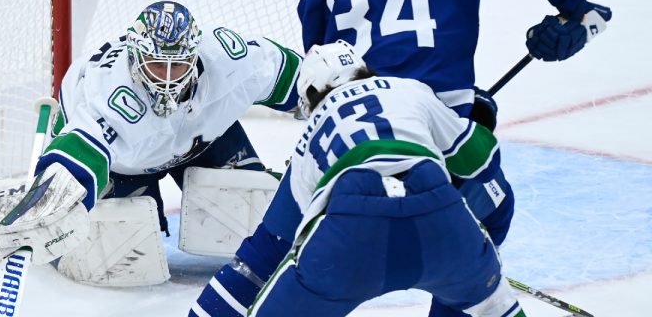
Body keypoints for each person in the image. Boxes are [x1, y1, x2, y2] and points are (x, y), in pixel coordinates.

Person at [191, 0, 611, 317]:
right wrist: (575, 12)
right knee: (493, 211)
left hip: (349, 144)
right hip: (435, 141)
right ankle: (471, 283)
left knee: (266, 251)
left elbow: (330, 86)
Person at [0, 0, 302, 286]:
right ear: (135, 57)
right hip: (122, 163)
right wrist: (44, 207)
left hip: (201, 139)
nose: (168, 80)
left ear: (195, 55)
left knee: (254, 212)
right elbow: (79, 160)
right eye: (157, 66)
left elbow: (302, 79)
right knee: (119, 258)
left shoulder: (231, 61)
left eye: (178, 66)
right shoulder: (112, 96)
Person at [216, 41, 527, 317]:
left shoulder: (309, 138)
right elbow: (482, 163)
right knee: (495, 307)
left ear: (310, 94)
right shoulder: (408, 89)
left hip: (351, 232)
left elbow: (298, 231)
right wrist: (477, 122)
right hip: (437, 209)